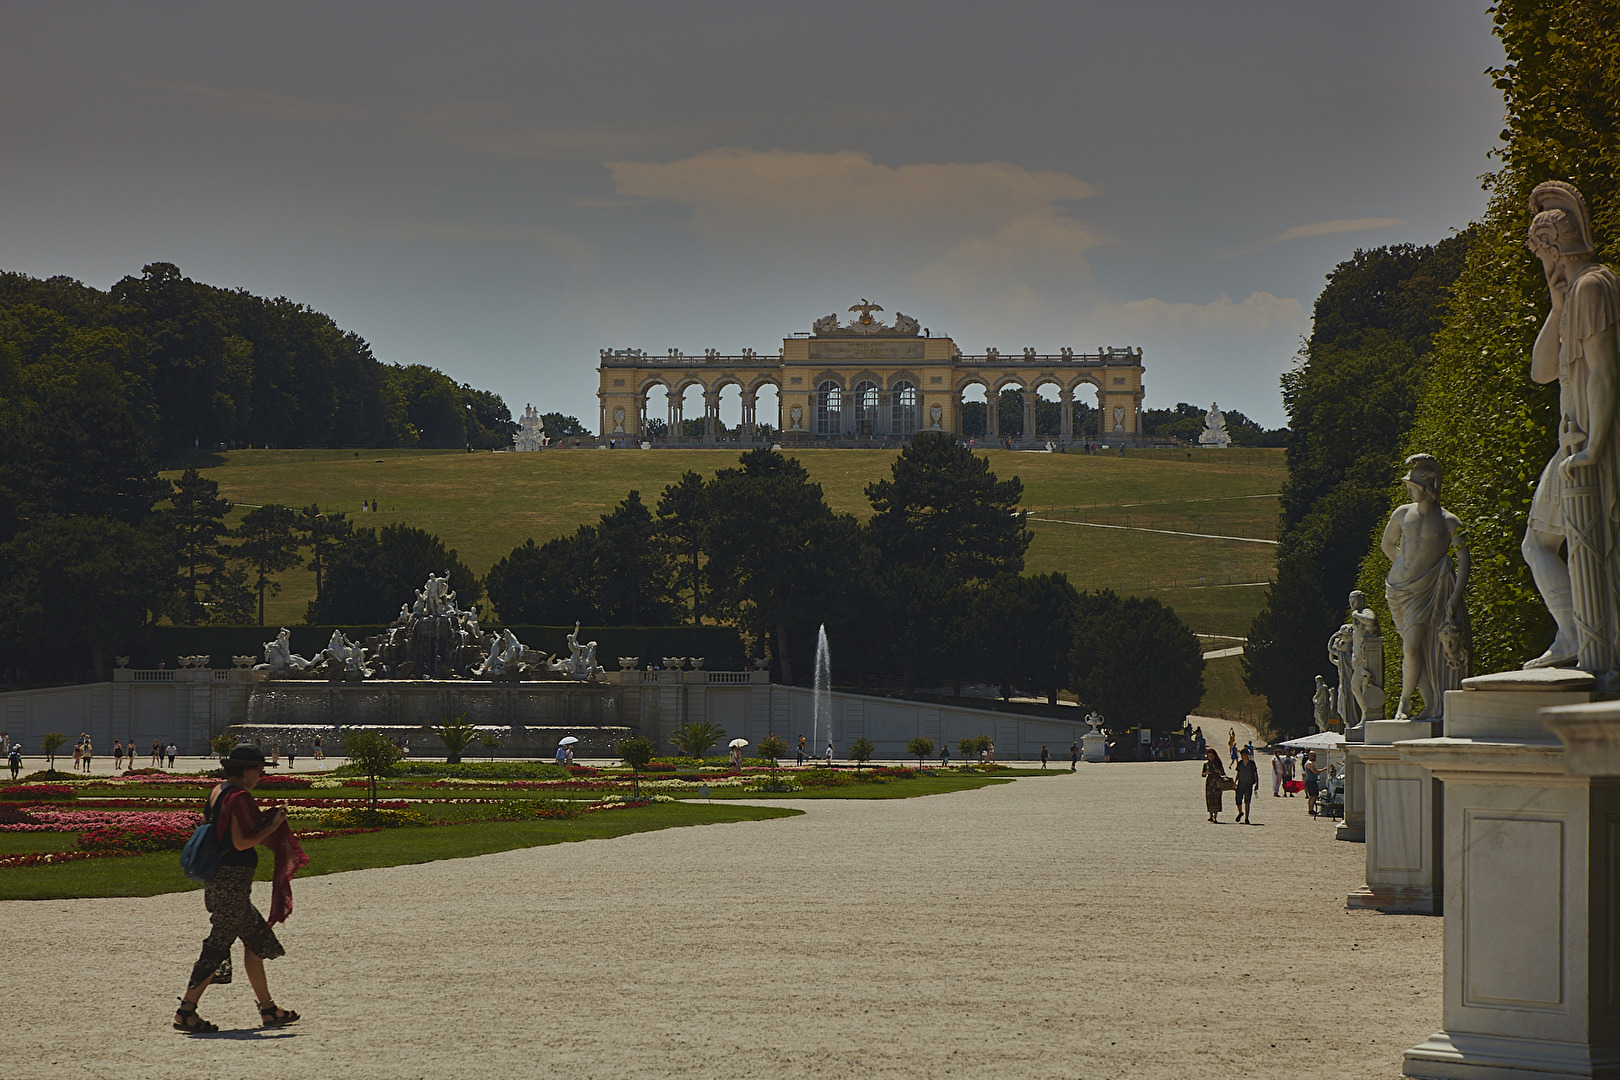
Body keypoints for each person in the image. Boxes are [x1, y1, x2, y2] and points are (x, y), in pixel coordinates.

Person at [174, 744, 307, 1034]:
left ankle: (269, 1009)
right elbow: (241, 842)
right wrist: (273, 824)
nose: (261, 775)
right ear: (246, 769)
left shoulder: (218, 791)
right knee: (218, 945)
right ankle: (187, 1010)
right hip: (232, 882)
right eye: (259, 770)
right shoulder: (241, 797)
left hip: (222, 881)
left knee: (254, 941)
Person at [1201, 748, 1228, 823]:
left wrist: (1218, 771)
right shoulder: (1206, 764)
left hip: (1217, 783)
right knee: (1209, 799)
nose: (1210, 758)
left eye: (1212, 756)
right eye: (1209, 756)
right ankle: (1210, 815)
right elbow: (1202, 774)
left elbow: (1223, 773)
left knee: (1217, 799)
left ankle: (1215, 816)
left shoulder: (1218, 763)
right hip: (1209, 783)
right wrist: (1206, 773)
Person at [1234, 748, 1259, 824]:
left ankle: (1246, 818)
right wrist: (1234, 782)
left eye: (1244, 755)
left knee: (1247, 801)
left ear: (1247, 755)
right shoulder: (1240, 763)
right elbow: (1238, 773)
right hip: (1240, 784)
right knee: (1238, 800)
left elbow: (1255, 774)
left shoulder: (1252, 763)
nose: (1243, 756)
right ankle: (1240, 812)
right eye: (1242, 755)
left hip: (1249, 784)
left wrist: (1257, 783)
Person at [1303, 750, 1327, 816]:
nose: (1314, 757)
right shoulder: (1309, 763)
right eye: (1312, 756)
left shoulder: (1311, 763)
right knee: (1313, 796)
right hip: (1311, 781)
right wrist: (1324, 769)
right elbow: (1316, 772)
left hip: (1311, 781)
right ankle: (1310, 809)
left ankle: (1311, 809)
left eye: (1315, 756)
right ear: (1309, 756)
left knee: (1312, 796)